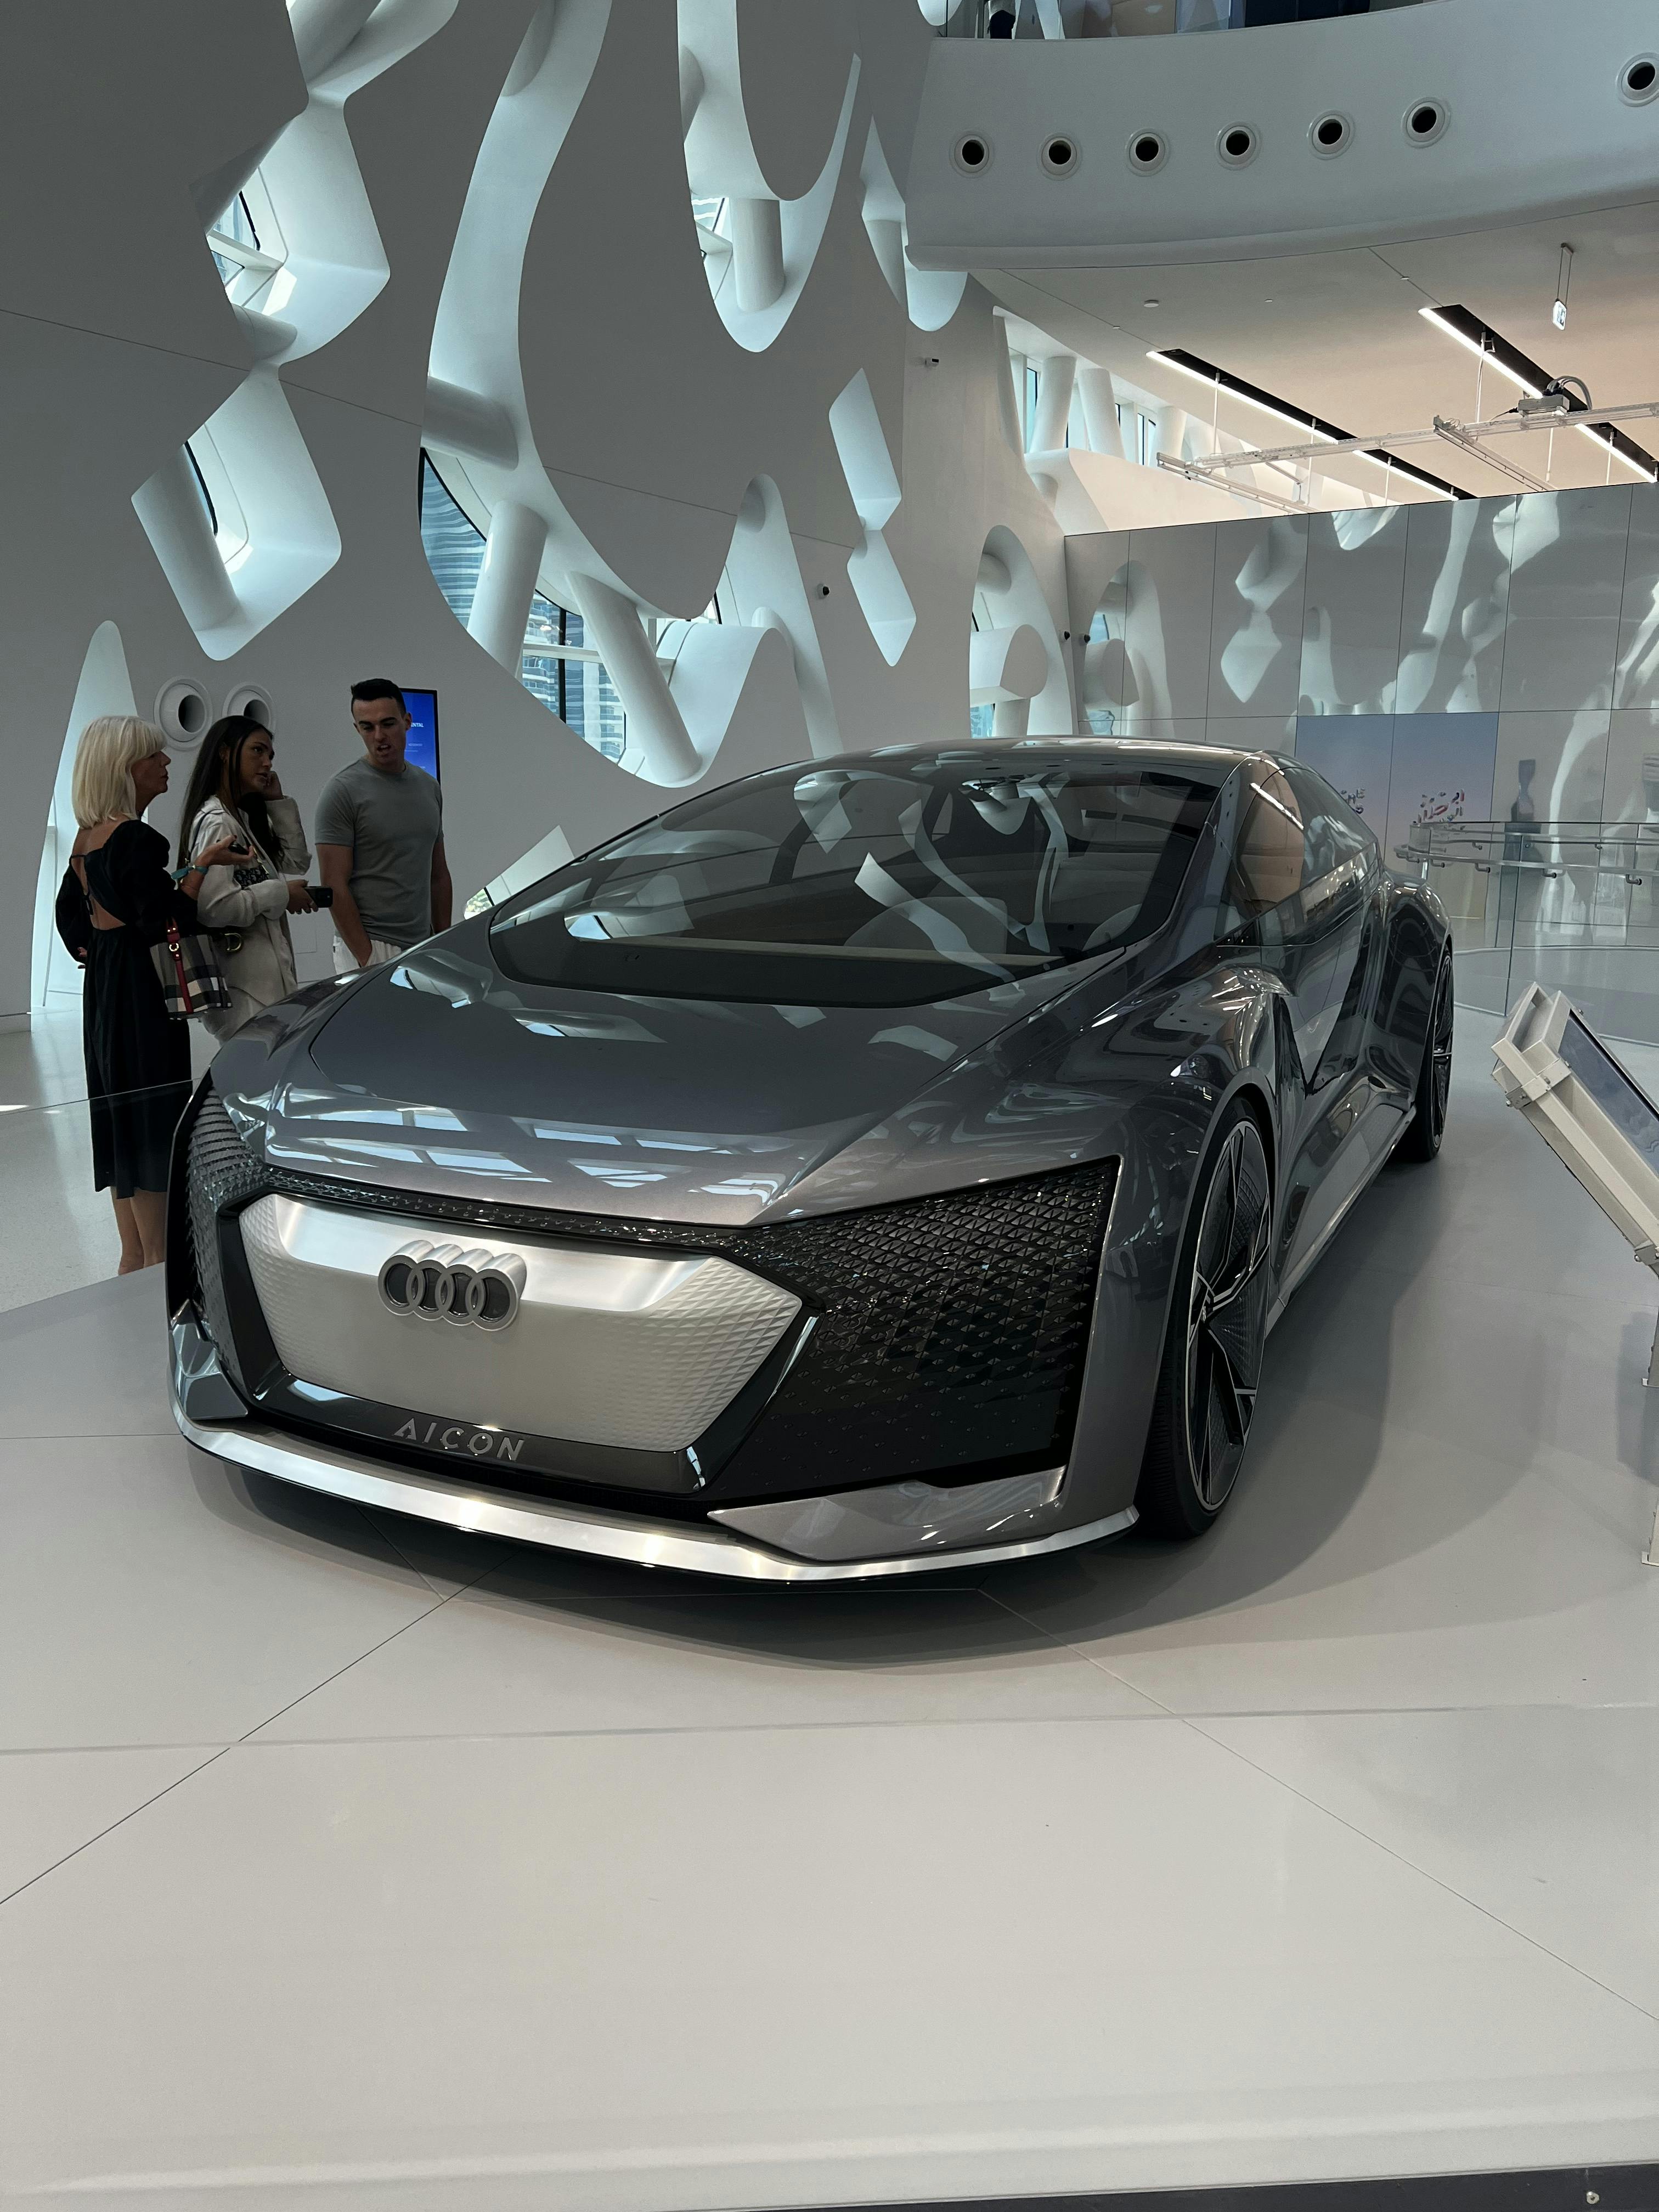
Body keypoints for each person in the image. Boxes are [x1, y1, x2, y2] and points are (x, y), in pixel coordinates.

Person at [53, 715, 247, 1274]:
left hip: (104, 988)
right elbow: (164, 920)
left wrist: (103, 944)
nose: (165, 764)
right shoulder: (135, 838)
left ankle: (134, 1256)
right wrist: (200, 869)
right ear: (125, 768)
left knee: (121, 1113)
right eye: (153, 756)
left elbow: (73, 924)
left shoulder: (86, 840)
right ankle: (159, 1263)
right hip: (141, 993)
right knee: (154, 1111)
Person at [176, 714, 314, 1040]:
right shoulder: (218, 822)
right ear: (225, 753)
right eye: (257, 751)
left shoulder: (240, 818)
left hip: (260, 985)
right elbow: (214, 908)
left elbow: (296, 861)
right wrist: (282, 895)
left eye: (270, 755)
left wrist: (277, 803)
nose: (267, 763)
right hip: (244, 989)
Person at [314, 679, 450, 972]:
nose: (379, 736)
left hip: (423, 943)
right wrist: (367, 956)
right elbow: (334, 884)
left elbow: (438, 874)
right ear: (357, 729)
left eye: (388, 724)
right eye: (368, 727)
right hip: (372, 944)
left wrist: (442, 940)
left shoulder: (429, 787)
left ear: (407, 722)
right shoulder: (342, 791)